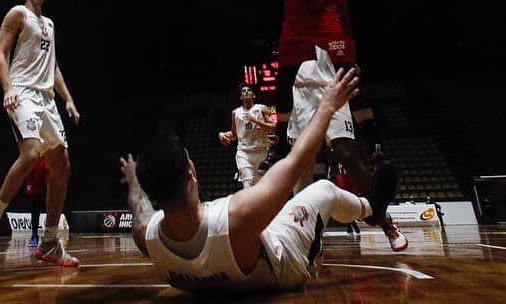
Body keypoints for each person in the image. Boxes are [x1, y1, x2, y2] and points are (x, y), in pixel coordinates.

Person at [243, 0, 403, 249]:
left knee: (347, 89)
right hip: (298, 11)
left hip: (325, 5)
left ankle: (377, 181)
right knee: (285, 78)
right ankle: (281, 146)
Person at [119, 68, 400, 293]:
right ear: (191, 176)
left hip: (247, 247)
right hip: (284, 267)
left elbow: (139, 206)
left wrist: (133, 180)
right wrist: (326, 107)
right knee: (324, 189)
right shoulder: (238, 217)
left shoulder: (146, 236)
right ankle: (371, 207)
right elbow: (297, 160)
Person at [0, 0, 81, 267]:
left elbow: (54, 67)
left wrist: (68, 98)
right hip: (22, 92)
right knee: (32, 152)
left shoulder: (50, 24)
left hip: (47, 100)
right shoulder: (17, 13)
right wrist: (7, 88)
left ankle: (49, 243)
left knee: (62, 165)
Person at [218, 85, 276, 189]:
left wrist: (255, 121)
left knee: (260, 188)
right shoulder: (235, 113)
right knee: (247, 186)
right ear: (241, 97)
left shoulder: (262, 108)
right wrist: (222, 135)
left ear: (253, 95)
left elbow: (274, 128)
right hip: (243, 153)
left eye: (248, 90)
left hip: (261, 152)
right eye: (243, 91)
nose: (246, 92)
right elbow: (234, 134)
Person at [25, 156, 49, 246]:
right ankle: (34, 235)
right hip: (35, 163)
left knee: (50, 202)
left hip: (48, 159)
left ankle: (50, 236)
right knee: (35, 205)